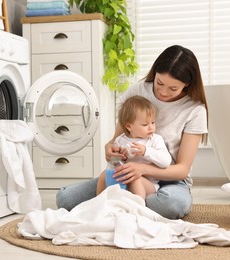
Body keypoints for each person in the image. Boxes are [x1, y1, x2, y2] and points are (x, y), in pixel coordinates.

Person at [56, 45, 208, 219]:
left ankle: (122, 205)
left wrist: (142, 169)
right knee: (65, 199)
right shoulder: (137, 92)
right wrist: (111, 149)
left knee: (172, 205)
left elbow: (181, 169)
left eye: (173, 88)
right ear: (155, 72)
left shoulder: (195, 110)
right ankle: (122, 204)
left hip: (170, 180)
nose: (164, 92)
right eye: (159, 83)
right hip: (128, 174)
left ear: (187, 84)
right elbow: (117, 139)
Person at [96, 95, 172, 202]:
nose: (151, 127)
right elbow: (114, 165)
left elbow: (166, 161)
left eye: (153, 123)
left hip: (147, 183)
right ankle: (100, 203)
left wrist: (146, 151)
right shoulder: (120, 140)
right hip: (123, 180)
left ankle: (138, 208)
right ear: (129, 126)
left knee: (134, 179)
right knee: (104, 175)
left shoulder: (155, 140)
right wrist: (119, 158)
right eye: (145, 124)